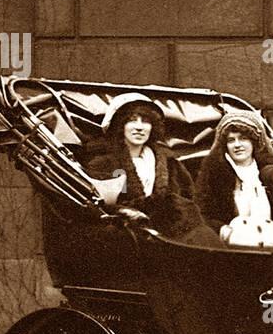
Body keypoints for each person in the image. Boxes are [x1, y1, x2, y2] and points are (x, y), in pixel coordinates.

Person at [82, 92, 203, 239]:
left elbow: (188, 202)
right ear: (120, 125)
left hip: (170, 235)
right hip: (126, 236)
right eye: (132, 120)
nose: (139, 127)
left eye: (146, 121)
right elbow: (100, 208)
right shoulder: (104, 164)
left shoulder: (171, 165)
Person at [194, 109, 273, 248]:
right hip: (231, 250)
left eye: (243, 138)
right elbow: (202, 215)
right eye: (231, 140)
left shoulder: (271, 172)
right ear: (225, 146)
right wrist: (224, 232)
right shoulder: (214, 174)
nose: (237, 145)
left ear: (254, 142)